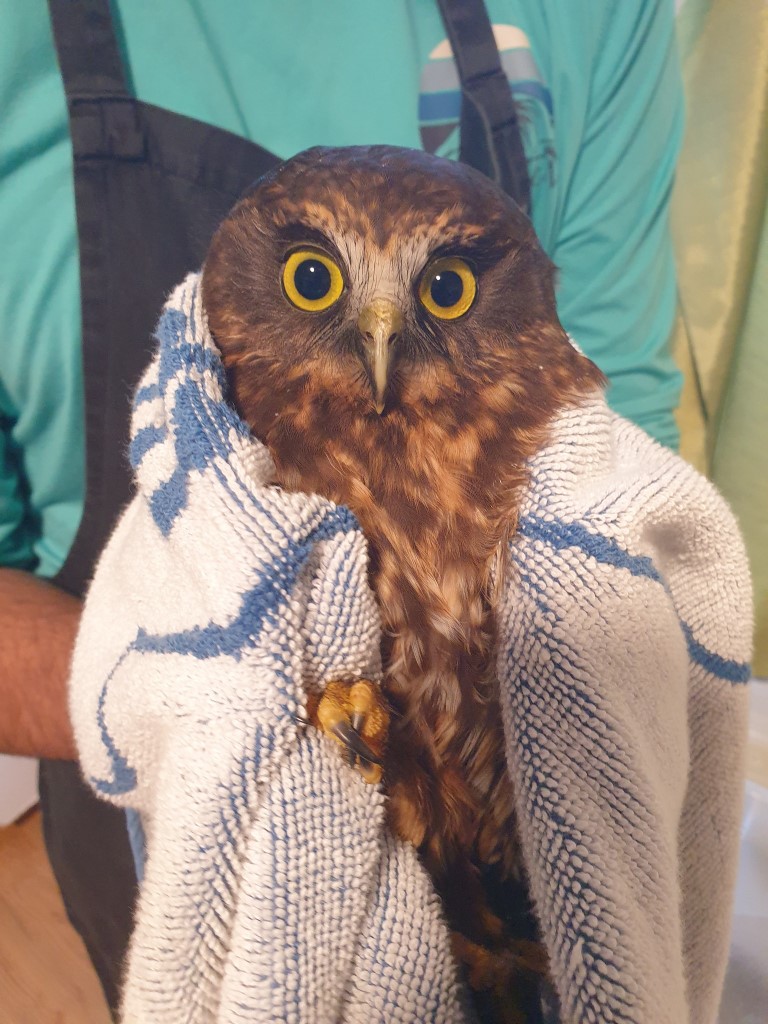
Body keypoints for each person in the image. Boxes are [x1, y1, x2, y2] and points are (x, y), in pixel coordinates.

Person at [0, 0, 684, 1016]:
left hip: (510, 831)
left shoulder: (602, 13)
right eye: (314, 280)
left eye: (443, 287)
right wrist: (219, 704)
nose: (375, 341)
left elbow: (616, 444)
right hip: (176, 837)